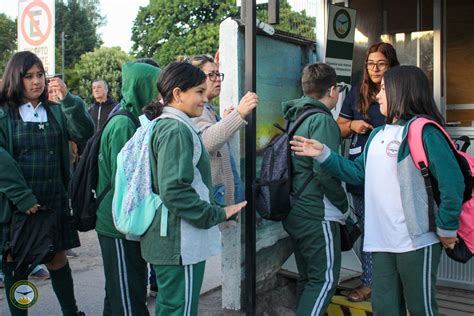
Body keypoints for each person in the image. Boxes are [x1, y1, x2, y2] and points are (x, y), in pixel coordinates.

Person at [290, 65, 464, 316]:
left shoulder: (424, 131)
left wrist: (447, 227)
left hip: (416, 243)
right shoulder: (377, 135)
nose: (378, 96)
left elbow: (452, 182)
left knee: (421, 309)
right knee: (384, 309)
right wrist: (324, 154)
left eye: (383, 89)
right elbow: (358, 173)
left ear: (401, 92)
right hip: (381, 242)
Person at [140, 61, 247, 315]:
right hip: (178, 242)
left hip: (173, 240)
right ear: (177, 94)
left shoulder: (170, 124)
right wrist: (218, 213)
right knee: (181, 309)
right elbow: (174, 191)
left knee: (171, 307)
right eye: (199, 91)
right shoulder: (175, 129)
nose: (204, 97)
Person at [0, 51, 94, 315]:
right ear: (15, 79)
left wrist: (69, 100)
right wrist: (23, 197)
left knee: (57, 258)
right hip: (17, 206)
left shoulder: (55, 110)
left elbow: (83, 132)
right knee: (16, 266)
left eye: (40, 75)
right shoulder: (4, 113)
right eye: (28, 76)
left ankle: (71, 312)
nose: (36, 81)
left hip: (52, 201)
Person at [282, 63, 348, 315]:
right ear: (333, 89)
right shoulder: (321, 120)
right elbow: (324, 170)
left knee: (309, 278)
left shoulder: (295, 116)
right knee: (325, 280)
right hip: (317, 212)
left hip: (296, 208)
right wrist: (342, 204)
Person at [95, 60, 160, 315]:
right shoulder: (124, 124)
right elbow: (129, 180)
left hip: (120, 220)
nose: (159, 94)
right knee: (129, 297)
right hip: (117, 224)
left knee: (117, 293)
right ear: (141, 87)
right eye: (154, 87)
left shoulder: (129, 117)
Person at [336, 42, 400, 302]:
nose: (375, 69)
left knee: (391, 228)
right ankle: (369, 281)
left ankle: (392, 282)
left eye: (381, 64)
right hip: (360, 173)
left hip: (391, 174)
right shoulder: (356, 93)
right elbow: (338, 127)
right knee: (367, 229)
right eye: (371, 63)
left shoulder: (399, 92)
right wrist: (353, 124)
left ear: (391, 65)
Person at [183, 54, 258, 206]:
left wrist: (224, 120)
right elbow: (206, 141)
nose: (217, 78)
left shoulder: (206, 108)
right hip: (214, 200)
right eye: (211, 75)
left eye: (218, 74)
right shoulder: (196, 109)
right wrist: (239, 114)